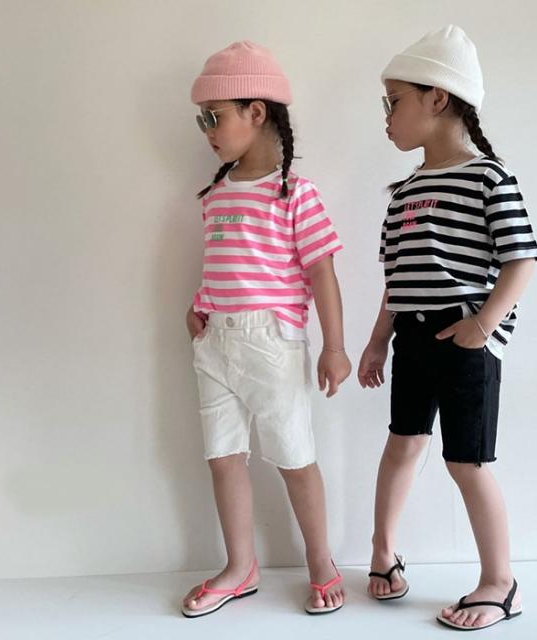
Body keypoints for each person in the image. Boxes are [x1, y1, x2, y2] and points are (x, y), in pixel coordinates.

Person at [358, 25, 537, 631]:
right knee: (402, 443)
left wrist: (483, 326)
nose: (387, 117)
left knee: (468, 462)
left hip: (466, 342)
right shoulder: (404, 193)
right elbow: (396, 278)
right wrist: (378, 340)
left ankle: (501, 583)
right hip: (411, 338)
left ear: (438, 97)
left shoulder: (490, 178)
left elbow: (521, 259)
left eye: (394, 101)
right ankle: (383, 553)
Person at [181, 41, 351, 617]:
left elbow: (322, 271)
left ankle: (321, 562)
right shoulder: (215, 195)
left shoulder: (296, 193)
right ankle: (240, 566)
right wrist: (199, 306)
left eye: (214, 116)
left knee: (294, 457)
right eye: (202, 119)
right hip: (215, 344)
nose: (207, 130)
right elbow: (223, 263)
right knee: (222, 455)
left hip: (272, 343)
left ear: (256, 112)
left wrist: (334, 346)